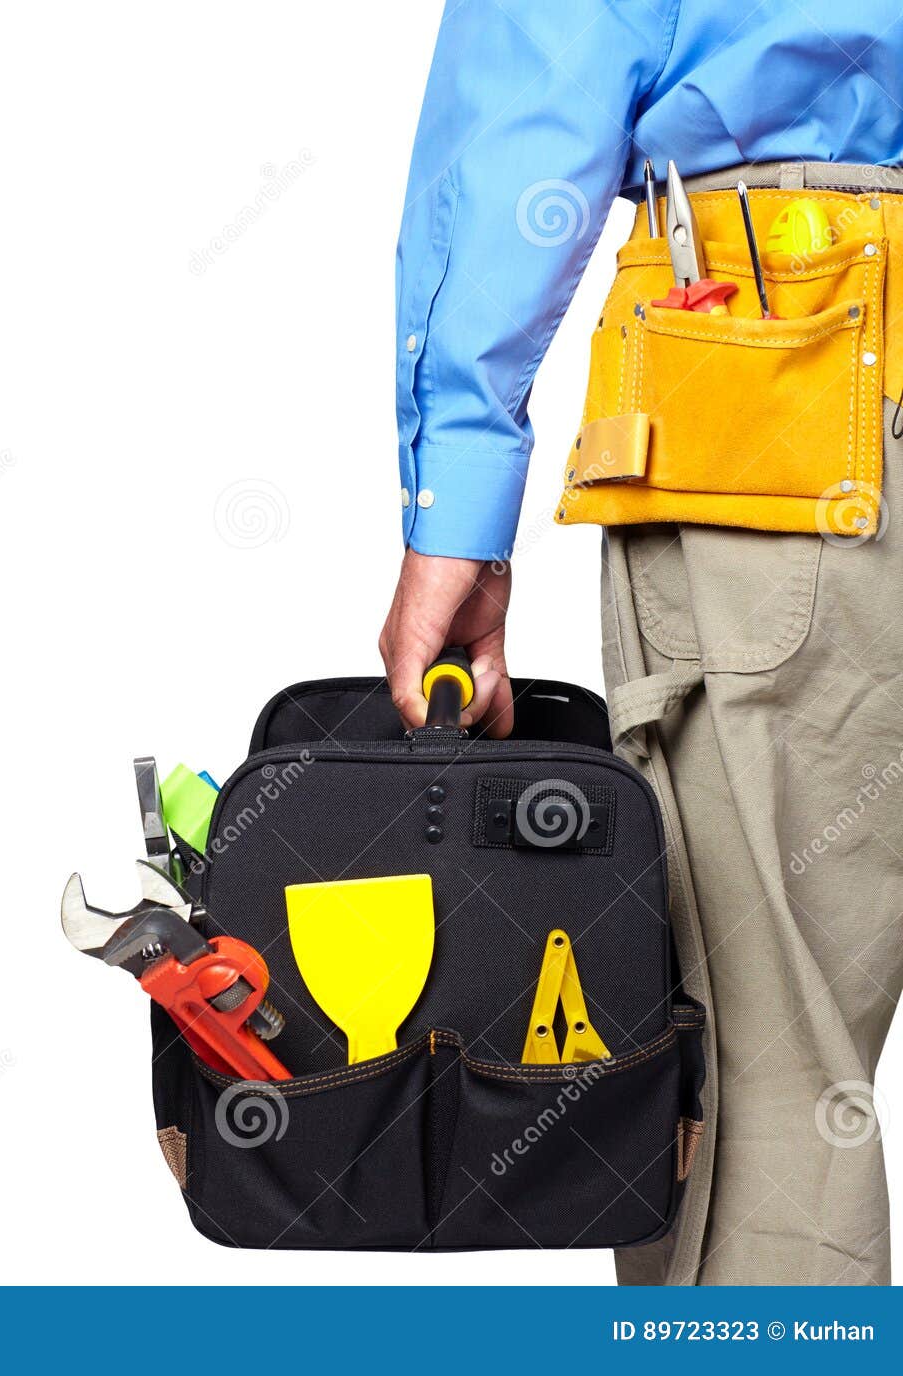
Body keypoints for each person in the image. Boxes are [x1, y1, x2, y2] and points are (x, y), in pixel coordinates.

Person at [381, 0, 903, 1285]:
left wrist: (459, 502)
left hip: (780, 398)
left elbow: (532, 105)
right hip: (790, 387)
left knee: (760, 1087)